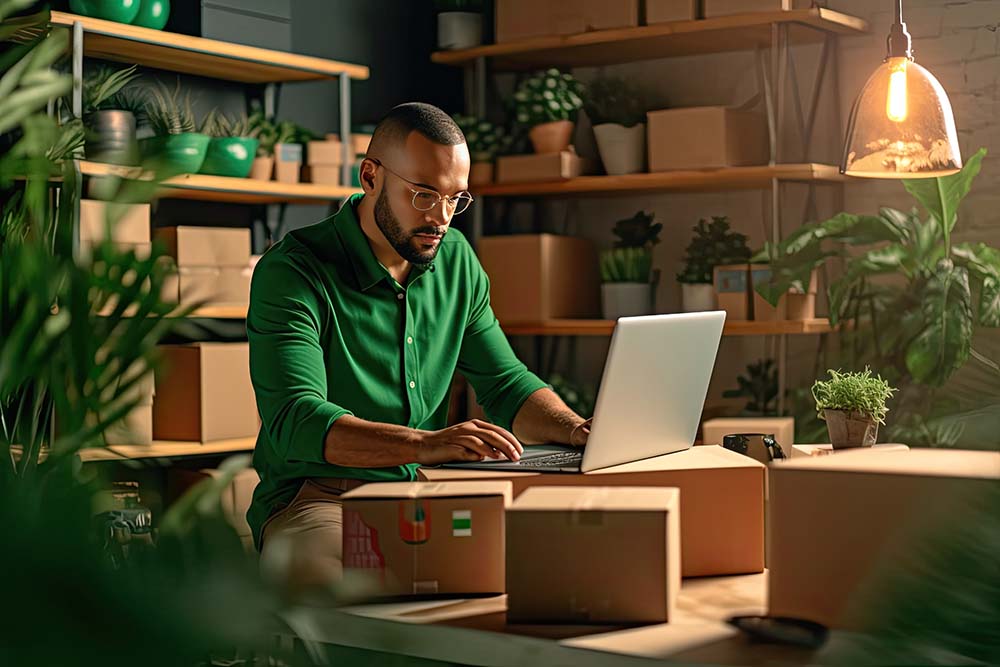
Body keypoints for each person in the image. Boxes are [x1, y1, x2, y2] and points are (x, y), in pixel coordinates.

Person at [247, 102, 590, 598]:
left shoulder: (456, 262)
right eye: (424, 195)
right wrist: (424, 443)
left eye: (456, 198)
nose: (442, 218)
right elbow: (296, 421)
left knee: (550, 576)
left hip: (428, 492)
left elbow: (506, 384)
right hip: (322, 500)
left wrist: (574, 427)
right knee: (350, 599)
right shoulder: (293, 271)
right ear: (370, 176)